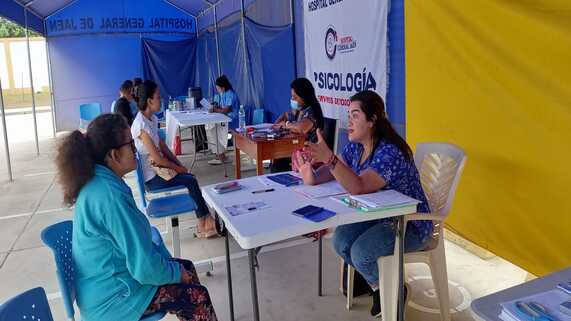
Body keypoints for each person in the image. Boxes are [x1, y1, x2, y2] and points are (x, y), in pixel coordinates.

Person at [55, 114, 218, 321]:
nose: (135, 150)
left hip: (110, 285)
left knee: (186, 269)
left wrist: (177, 271)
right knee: (197, 297)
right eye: (131, 144)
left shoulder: (101, 181)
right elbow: (143, 268)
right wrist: (176, 274)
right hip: (115, 300)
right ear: (114, 155)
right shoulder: (109, 196)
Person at [295, 90, 432, 318]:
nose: (349, 120)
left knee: (361, 253)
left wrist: (329, 158)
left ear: (372, 120)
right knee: (340, 241)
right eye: (349, 115)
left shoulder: (390, 151)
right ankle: (379, 286)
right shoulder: (355, 146)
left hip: (410, 223)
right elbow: (332, 174)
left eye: (355, 115)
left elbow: (358, 185)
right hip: (377, 215)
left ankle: (393, 290)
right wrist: (309, 173)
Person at [132, 80, 218, 238]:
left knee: (189, 177)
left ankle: (204, 222)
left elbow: (163, 147)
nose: (161, 100)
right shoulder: (141, 126)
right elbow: (158, 159)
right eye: (158, 97)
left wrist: (179, 164)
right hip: (152, 178)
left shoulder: (152, 120)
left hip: (160, 171)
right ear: (150, 101)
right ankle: (204, 223)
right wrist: (179, 169)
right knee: (190, 180)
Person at [271, 77, 324, 172]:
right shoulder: (302, 110)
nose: (292, 99)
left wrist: (286, 124)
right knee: (277, 158)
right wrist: (284, 116)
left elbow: (301, 128)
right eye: (292, 96)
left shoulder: (312, 111)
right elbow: (289, 118)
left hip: (310, 156)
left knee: (279, 162)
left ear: (304, 96)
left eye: (295, 97)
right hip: (299, 150)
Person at [207, 75, 239, 165]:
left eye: (218, 88)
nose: (217, 90)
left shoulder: (231, 95)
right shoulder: (223, 94)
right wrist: (216, 107)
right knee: (211, 127)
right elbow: (222, 107)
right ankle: (219, 154)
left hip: (233, 120)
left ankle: (221, 155)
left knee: (215, 128)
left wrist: (214, 110)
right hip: (226, 119)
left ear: (223, 87)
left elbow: (226, 110)